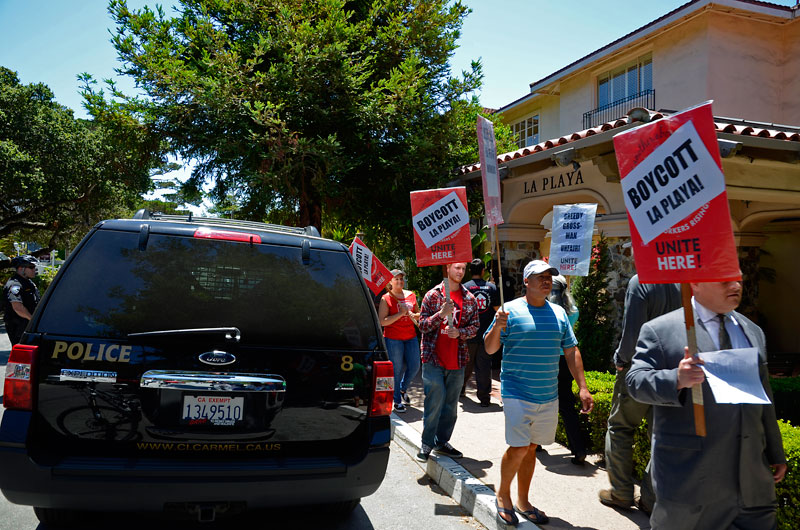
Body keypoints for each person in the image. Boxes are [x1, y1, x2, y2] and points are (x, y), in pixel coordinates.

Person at [626, 275, 786, 530]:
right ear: (696, 283)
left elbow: (764, 396)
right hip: (691, 484)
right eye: (725, 281)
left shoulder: (752, 331)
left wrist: (775, 452)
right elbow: (635, 382)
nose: (736, 287)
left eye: (739, 280)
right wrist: (676, 379)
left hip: (752, 485)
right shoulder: (660, 330)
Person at [484, 260, 594, 526]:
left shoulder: (558, 314)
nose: (546, 280)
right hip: (516, 391)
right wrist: (498, 326)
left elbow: (571, 350)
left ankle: (523, 500)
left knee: (532, 447)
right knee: (520, 446)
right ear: (526, 281)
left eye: (549, 277)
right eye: (539, 276)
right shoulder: (509, 311)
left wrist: (583, 386)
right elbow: (489, 349)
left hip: (548, 394)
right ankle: (502, 495)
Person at [599, 274, 681, 513]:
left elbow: (632, 333)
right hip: (672, 373)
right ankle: (651, 498)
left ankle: (621, 492)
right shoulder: (684, 281)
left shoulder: (641, 281)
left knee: (620, 428)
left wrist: (621, 359)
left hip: (640, 371)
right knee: (660, 435)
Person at [416, 262, 479, 462]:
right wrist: (441, 314)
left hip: (457, 360)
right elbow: (423, 325)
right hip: (433, 358)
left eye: (463, 269)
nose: (460, 272)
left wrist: (459, 333)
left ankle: (441, 442)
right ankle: (426, 444)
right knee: (435, 402)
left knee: (451, 407)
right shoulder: (432, 296)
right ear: (448, 268)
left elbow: (475, 327)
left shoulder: (469, 298)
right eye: (457, 268)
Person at [548, 275, 588, 465]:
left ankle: (535, 442)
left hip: (547, 360)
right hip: (566, 360)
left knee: (539, 401)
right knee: (566, 405)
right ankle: (578, 447)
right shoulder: (573, 311)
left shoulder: (547, 312)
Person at [378, 268, 421, 413]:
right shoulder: (386, 298)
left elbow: (418, 313)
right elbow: (382, 321)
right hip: (393, 339)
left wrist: (414, 315)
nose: (399, 281)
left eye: (401, 278)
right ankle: (396, 400)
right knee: (395, 370)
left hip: (410, 337)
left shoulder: (411, 295)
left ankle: (402, 389)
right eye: (396, 279)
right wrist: (400, 313)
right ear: (390, 281)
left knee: (415, 365)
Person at [461, 258, 500, 406]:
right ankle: (484, 398)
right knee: (483, 366)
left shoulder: (464, 288)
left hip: (469, 333)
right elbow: (498, 309)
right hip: (487, 334)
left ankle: (460, 389)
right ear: (483, 271)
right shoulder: (492, 288)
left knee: (466, 364)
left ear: (470, 271)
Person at [2, 255, 41, 345]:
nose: (34, 269)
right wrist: (32, 320)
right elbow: (17, 307)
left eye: (34, 267)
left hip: (29, 325)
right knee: (23, 354)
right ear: (21, 269)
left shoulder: (29, 283)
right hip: (19, 326)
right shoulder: (15, 284)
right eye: (31, 267)